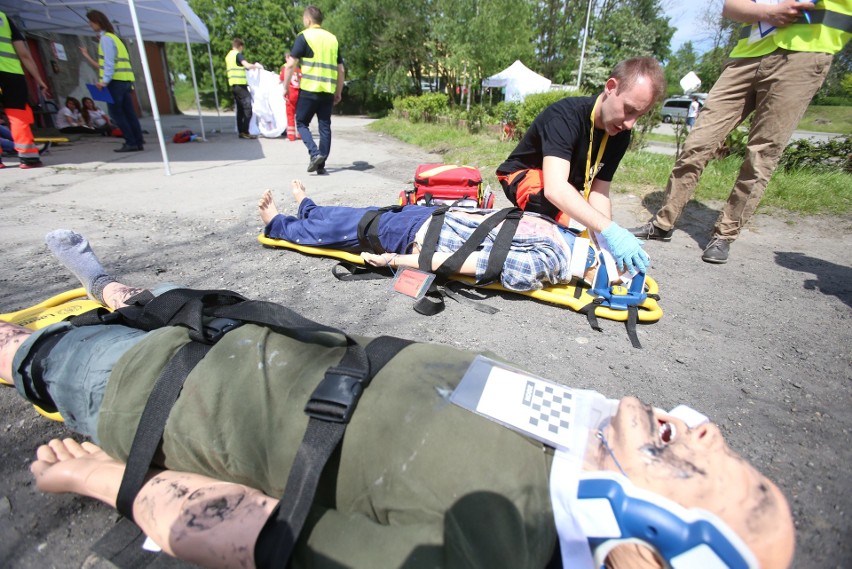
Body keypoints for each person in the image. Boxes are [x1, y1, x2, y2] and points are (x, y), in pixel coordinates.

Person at [1, 231, 795, 569]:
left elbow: (254, 536)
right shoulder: (581, 438)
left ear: (647, 552)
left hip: (165, 395)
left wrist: (108, 481)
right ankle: (112, 287)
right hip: (244, 328)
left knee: (29, 354)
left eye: (719, 471)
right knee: (148, 294)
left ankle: (57, 339)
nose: (711, 431)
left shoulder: (482, 547)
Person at [629, 0, 850, 264]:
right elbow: (731, 6)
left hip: (804, 56)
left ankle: (725, 234)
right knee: (698, 142)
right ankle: (663, 223)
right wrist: (767, 12)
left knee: (761, 155)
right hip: (747, 54)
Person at [260, 180, 595, 292]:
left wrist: (392, 260)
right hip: (430, 217)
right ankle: (309, 209)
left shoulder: (547, 259)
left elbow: (458, 262)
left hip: (422, 232)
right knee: (358, 218)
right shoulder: (567, 233)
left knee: (358, 226)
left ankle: (279, 224)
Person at [496, 57, 666, 275]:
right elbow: (555, 189)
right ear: (611, 87)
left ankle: (591, 258)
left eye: (639, 116)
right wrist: (607, 229)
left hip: (561, 185)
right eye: (629, 110)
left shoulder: (620, 133)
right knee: (571, 220)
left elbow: (599, 192)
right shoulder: (565, 116)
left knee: (590, 228)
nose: (630, 123)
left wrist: (606, 242)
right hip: (522, 176)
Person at [281, 5, 345, 175]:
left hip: (309, 90)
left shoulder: (304, 37)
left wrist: (285, 87)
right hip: (327, 91)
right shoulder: (332, 39)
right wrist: (338, 91)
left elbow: (290, 65)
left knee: (301, 123)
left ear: (308, 20)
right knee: (325, 126)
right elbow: (341, 70)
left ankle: (315, 154)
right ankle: (321, 165)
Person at [78, 10, 145, 153]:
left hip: (115, 82)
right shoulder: (115, 39)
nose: (90, 24)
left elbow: (109, 63)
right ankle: (138, 141)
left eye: (91, 22)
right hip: (125, 81)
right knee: (129, 113)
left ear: (98, 22)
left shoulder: (106, 39)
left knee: (116, 114)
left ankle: (131, 141)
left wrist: (104, 81)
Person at [0, 9, 50, 169]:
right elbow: (24, 54)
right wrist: (39, 80)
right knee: (17, 115)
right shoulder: (4, 19)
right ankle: (28, 159)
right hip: (12, 74)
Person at [225, 38, 263, 139]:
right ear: (240, 46)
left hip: (233, 85)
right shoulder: (238, 54)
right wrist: (256, 66)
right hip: (241, 85)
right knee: (248, 108)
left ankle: (241, 131)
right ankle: (245, 131)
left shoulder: (228, 56)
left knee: (240, 109)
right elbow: (246, 65)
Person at [279, 54, 302, 141]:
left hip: (290, 92)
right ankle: (301, 134)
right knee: (300, 115)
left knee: (290, 114)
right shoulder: (299, 70)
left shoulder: (286, 69)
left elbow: (281, 79)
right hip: (299, 93)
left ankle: (291, 136)